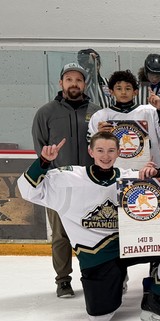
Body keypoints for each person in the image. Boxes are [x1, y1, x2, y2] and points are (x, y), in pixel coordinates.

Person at [18, 131, 160, 321]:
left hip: (130, 246)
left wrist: (156, 176)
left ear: (118, 153)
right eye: (100, 150)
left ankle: (153, 296)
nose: (105, 156)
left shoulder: (130, 177)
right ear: (91, 152)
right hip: (98, 256)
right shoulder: (68, 178)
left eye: (110, 151)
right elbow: (28, 191)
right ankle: (117, 279)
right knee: (99, 319)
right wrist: (43, 162)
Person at [31, 62, 101, 298]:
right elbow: (40, 149)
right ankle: (63, 280)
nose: (74, 84)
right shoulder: (46, 113)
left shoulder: (96, 112)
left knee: (92, 232)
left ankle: (92, 277)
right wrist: (50, 176)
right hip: (58, 186)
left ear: (85, 84)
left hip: (90, 184)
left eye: (78, 80)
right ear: (61, 83)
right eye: (69, 79)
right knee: (61, 235)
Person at [88, 70, 160, 168]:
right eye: (119, 88)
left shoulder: (150, 111)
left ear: (135, 92)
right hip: (115, 171)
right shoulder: (100, 116)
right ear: (111, 91)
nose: (123, 92)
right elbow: (91, 148)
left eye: (128, 88)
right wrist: (99, 134)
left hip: (149, 169)